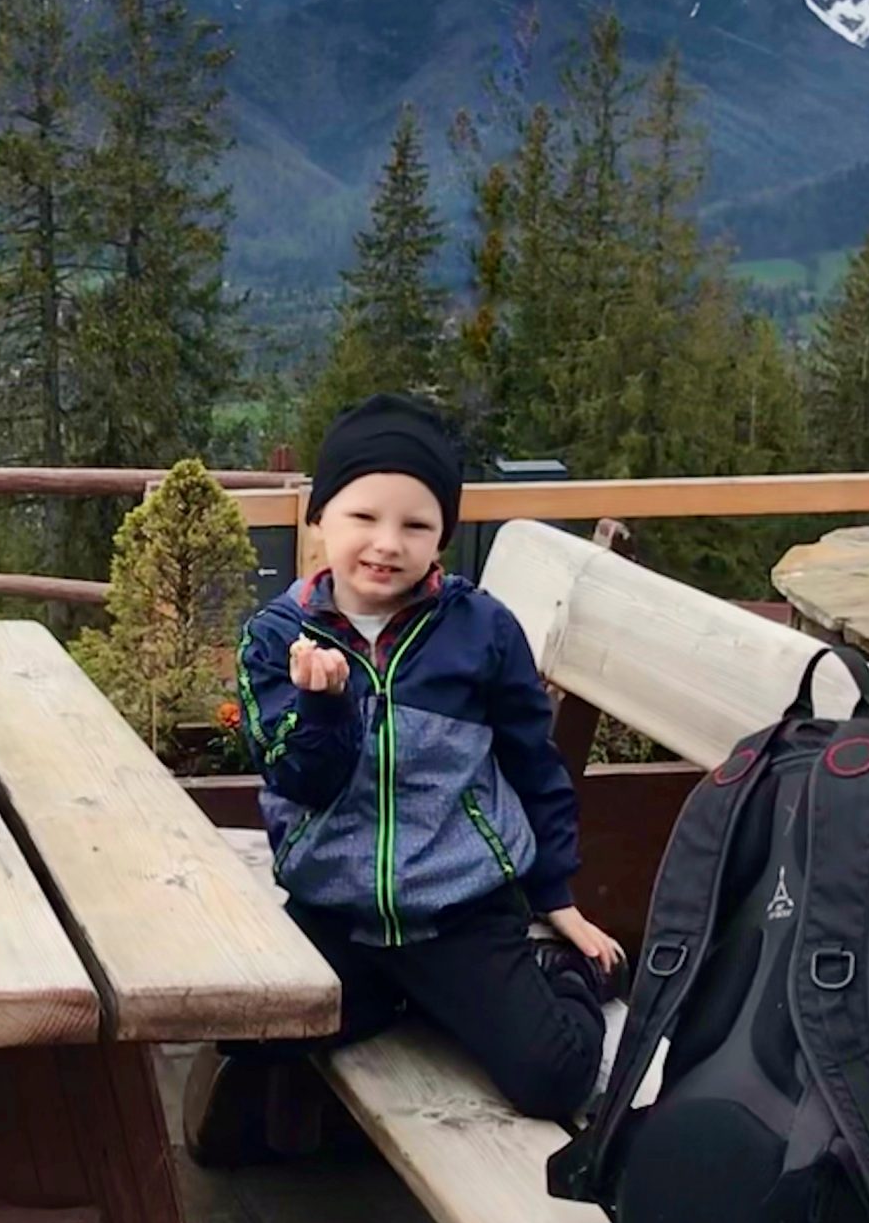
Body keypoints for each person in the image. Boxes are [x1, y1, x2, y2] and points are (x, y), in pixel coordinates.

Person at [237, 392, 622, 1123]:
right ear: (320, 518)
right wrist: (324, 708)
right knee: (245, 1031)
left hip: (461, 914)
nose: (388, 543)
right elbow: (300, 781)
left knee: (552, 1076)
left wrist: (556, 897)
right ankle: (406, 995)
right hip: (334, 910)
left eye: (416, 524)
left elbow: (534, 763)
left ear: (443, 534)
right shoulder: (275, 636)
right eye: (363, 516)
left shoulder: (482, 631)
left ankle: (558, 979)